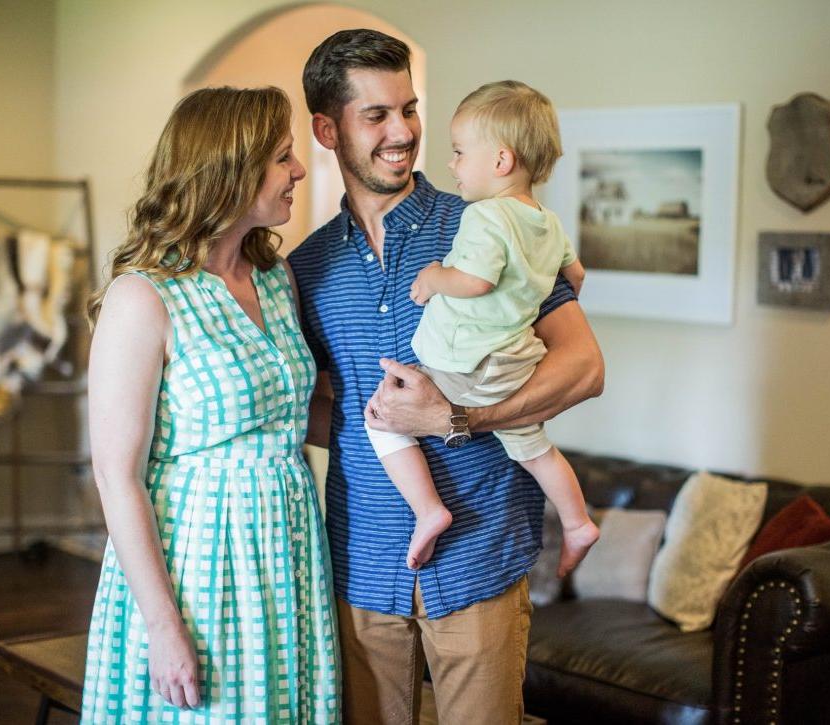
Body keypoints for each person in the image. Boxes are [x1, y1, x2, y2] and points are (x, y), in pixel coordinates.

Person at [288, 29, 604, 725]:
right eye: (375, 115)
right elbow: (314, 405)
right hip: (361, 564)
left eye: (408, 108)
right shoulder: (306, 267)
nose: (402, 131)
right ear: (325, 128)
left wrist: (457, 419)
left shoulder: (486, 223)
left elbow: (584, 368)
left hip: (479, 557)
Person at [80, 86, 340, 724]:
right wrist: (164, 626)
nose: (299, 171)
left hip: (288, 547)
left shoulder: (276, 281)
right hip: (199, 560)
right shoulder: (144, 298)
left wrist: (436, 422)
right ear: (231, 170)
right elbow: (117, 475)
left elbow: (290, 415)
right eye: (283, 158)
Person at [366, 80, 600, 573]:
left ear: (500, 162)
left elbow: (474, 280)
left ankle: (429, 509)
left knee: (383, 412)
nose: (451, 164)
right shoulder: (548, 221)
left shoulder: (484, 216)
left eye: (458, 153)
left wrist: (433, 278)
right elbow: (575, 276)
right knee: (534, 449)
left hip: (471, 364)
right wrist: (530, 301)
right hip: (516, 361)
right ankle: (578, 522)